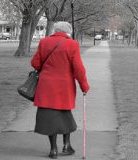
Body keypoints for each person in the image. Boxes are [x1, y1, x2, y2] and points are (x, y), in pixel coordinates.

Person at [31, 21, 90, 159]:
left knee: (50, 117)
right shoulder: (72, 44)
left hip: (46, 86)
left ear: (55, 30)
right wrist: (84, 86)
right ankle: (66, 145)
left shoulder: (44, 42)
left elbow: (35, 63)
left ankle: (53, 150)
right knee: (64, 114)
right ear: (67, 31)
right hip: (64, 86)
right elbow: (78, 69)